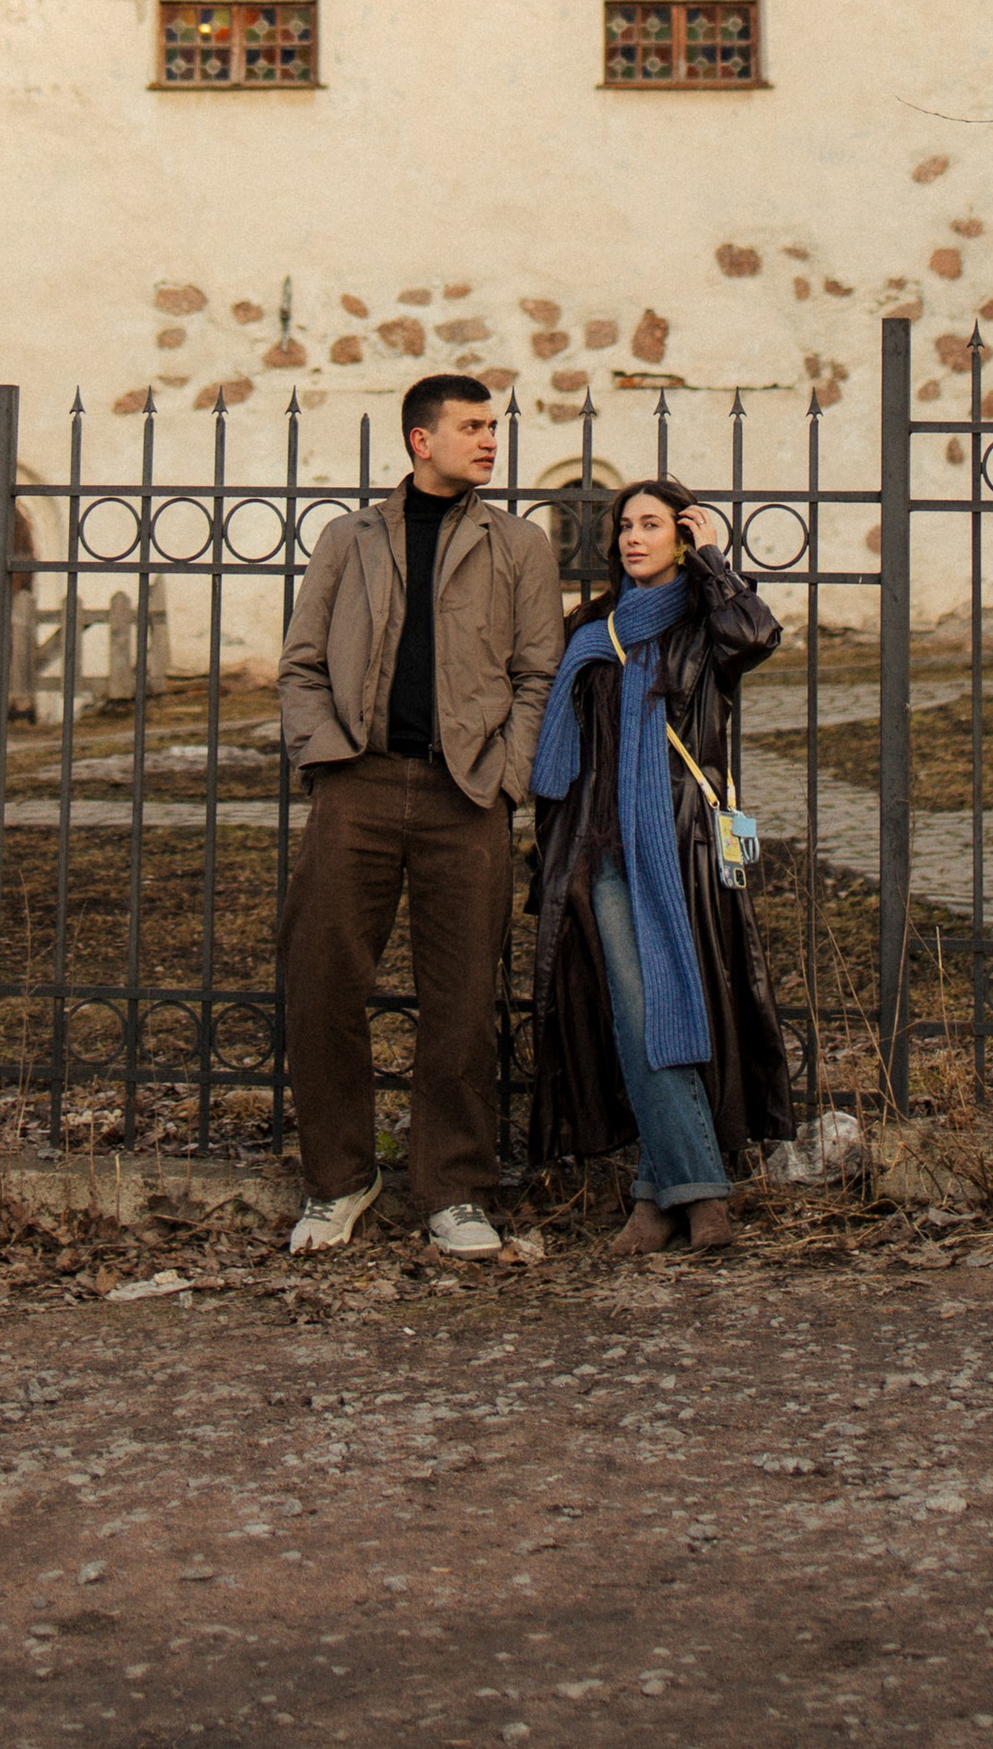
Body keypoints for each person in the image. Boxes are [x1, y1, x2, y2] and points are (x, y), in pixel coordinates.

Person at [276, 372, 563, 1257]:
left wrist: (506, 776)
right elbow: (300, 665)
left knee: (464, 998)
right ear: (420, 440)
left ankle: (456, 1189)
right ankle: (340, 1179)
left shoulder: (519, 546)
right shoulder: (347, 538)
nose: (489, 441)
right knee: (322, 983)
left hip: (466, 794)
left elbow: (537, 675)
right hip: (357, 786)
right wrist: (327, 756)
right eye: (472, 427)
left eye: (493, 427)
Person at [525, 475, 793, 1252]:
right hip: (600, 848)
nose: (633, 538)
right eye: (624, 527)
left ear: (681, 536)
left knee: (688, 1006)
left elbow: (756, 636)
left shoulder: (708, 627)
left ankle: (657, 1192)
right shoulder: (592, 628)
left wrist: (715, 560)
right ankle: (702, 1190)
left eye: (652, 525)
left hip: (682, 845)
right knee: (640, 1009)